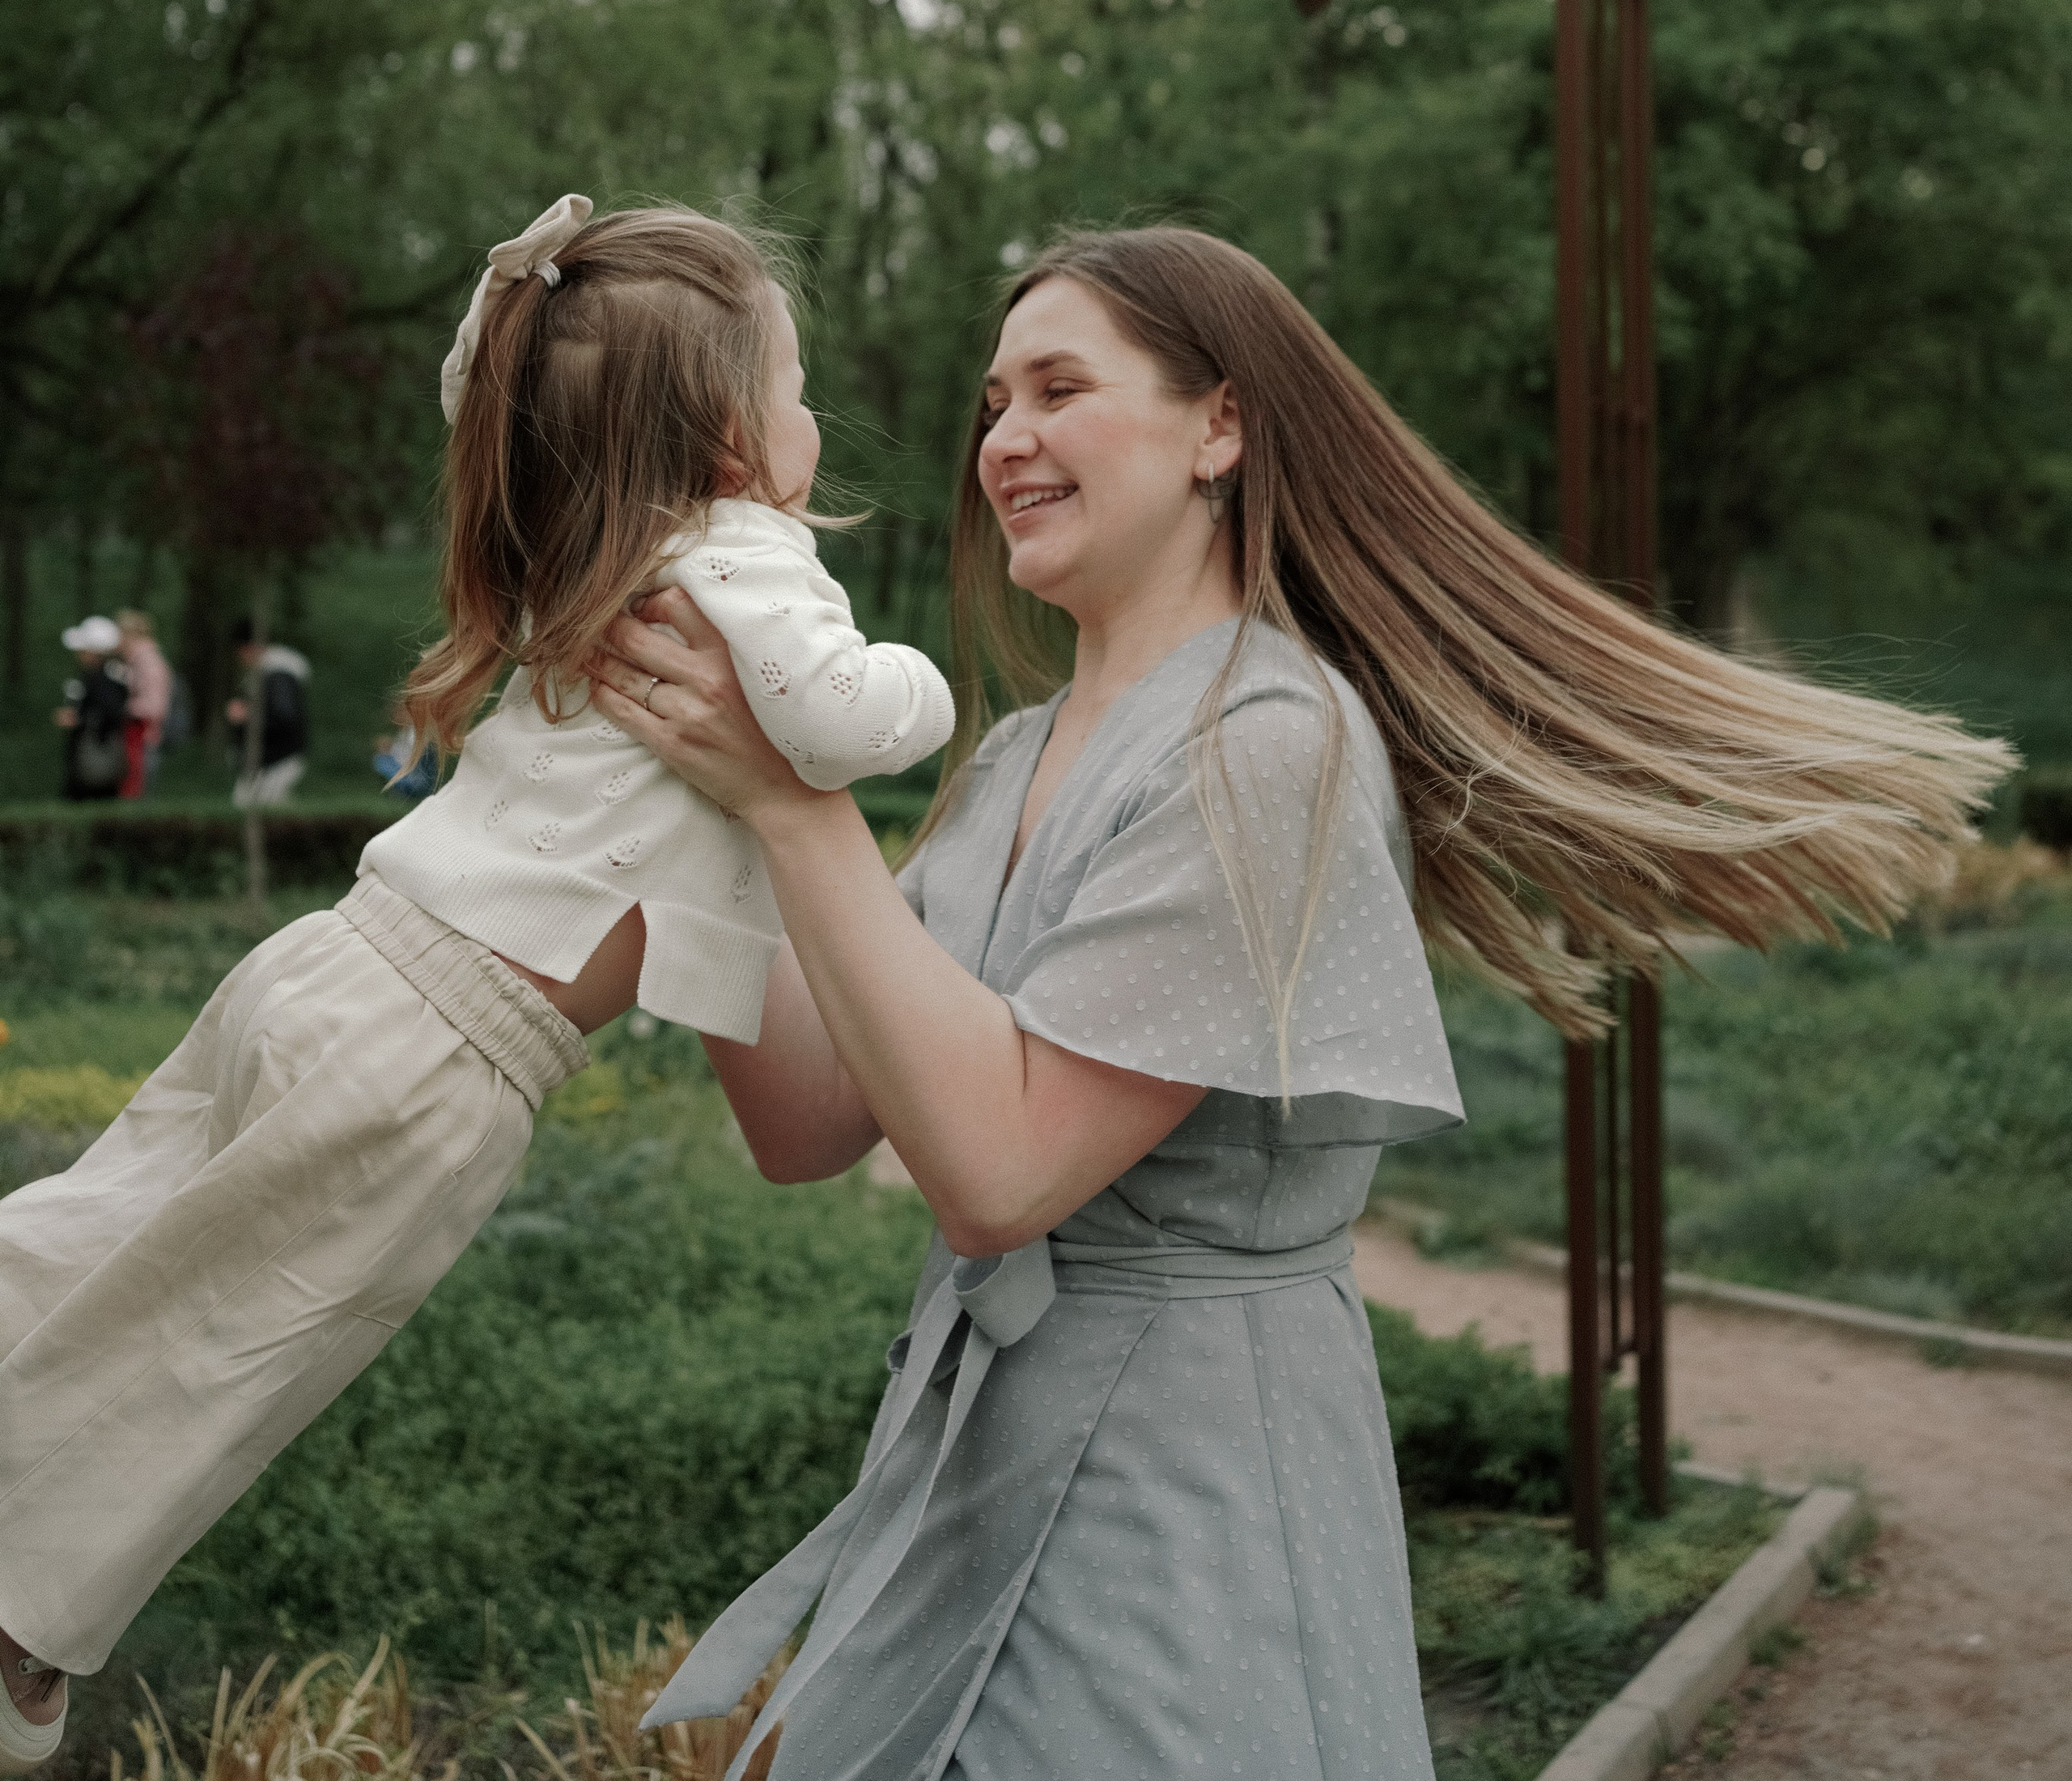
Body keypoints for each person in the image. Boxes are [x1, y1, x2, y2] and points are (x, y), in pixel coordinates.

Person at [592, 224, 2006, 1781]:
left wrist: (793, 811)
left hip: (1184, 1504)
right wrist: (697, 804)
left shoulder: (1268, 745)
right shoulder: (1011, 761)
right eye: (993, 405)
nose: (1004, 441)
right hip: (972, 1474)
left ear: (1222, 425)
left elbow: (997, 1171)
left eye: (1060, 389)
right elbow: (806, 1119)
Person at [0, 197, 953, 1775]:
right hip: (440, 1057)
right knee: (225, 1345)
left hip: (339, 960)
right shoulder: (747, 559)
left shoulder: (595, 547)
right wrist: (934, 687)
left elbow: (496, 405)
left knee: (118, 1225)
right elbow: (849, 716)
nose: (812, 419)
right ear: (733, 434)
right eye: (796, 387)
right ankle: (22, 1621)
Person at [224, 620, 312, 807]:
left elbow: (284, 716)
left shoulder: (278, 676)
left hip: (279, 757)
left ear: (246, 648)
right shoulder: (268, 673)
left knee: (262, 806)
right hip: (271, 757)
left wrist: (248, 715)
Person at [52, 622, 128, 804]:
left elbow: (110, 712)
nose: (79, 655)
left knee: (93, 797)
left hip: (96, 751)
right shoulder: (101, 675)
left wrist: (78, 719)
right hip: (90, 751)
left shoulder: (103, 678)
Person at [113, 613, 172, 802]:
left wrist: (121, 708)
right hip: (137, 736)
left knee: (138, 792)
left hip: (143, 736)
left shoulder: (148, 662)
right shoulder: (136, 662)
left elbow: (154, 707)